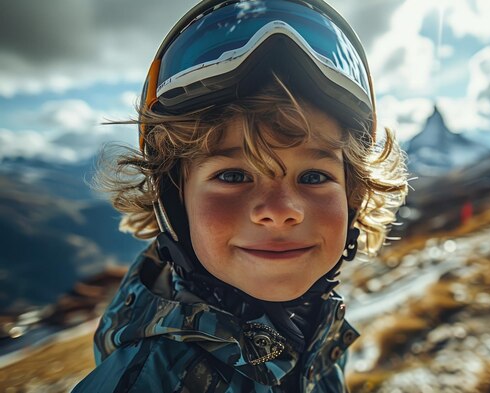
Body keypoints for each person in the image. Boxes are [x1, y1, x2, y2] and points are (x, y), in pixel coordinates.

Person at [72, 0, 407, 392]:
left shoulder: (315, 327)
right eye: (233, 175)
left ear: (354, 198)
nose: (281, 212)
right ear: (174, 204)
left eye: (314, 176)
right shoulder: (146, 382)